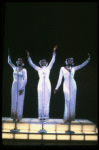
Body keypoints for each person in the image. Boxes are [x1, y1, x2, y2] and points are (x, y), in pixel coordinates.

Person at [54, 53, 90, 123]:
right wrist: (56, 88)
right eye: (69, 60)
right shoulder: (62, 68)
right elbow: (60, 79)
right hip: (66, 84)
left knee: (72, 101)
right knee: (67, 100)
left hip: (73, 85)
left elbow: (82, 65)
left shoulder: (73, 68)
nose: (71, 61)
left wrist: (88, 60)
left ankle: (71, 117)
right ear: (67, 61)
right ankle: (66, 117)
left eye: (72, 60)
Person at [26, 45, 57, 120]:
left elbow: (53, 61)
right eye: (42, 61)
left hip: (47, 84)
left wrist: (54, 52)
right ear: (40, 63)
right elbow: (31, 63)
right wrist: (28, 56)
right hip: (40, 84)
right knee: (40, 99)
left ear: (46, 62)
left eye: (44, 61)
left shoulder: (48, 68)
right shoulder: (38, 69)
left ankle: (46, 116)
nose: (43, 61)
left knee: (47, 100)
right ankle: (40, 116)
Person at [8, 51, 27, 122]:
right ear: (16, 62)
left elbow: (25, 79)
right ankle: (14, 116)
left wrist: (22, 88)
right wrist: (9, 55)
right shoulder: (14, 68)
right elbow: (9, 62)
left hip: (21, 85)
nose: (19, 61)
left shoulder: (24, 70)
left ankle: (18, 117)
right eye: (18, 60)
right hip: (14, 84)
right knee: (14, 100)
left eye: (21, 60)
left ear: (22, 62)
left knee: (20, 101)